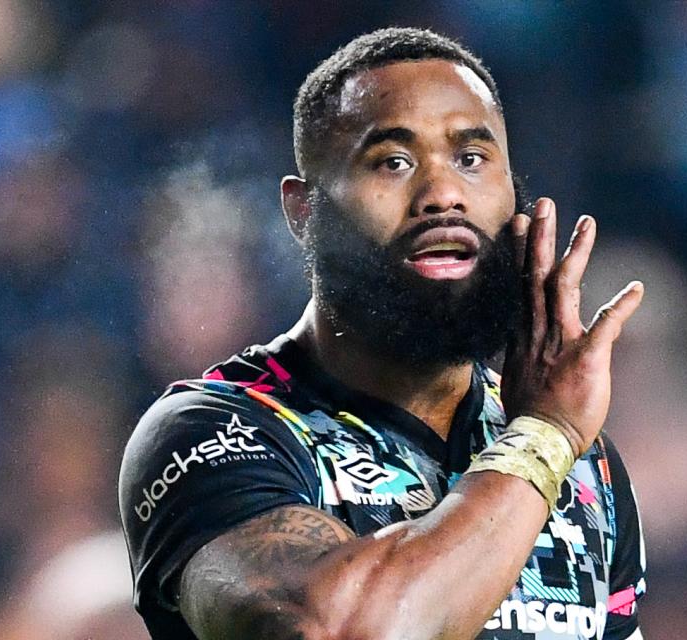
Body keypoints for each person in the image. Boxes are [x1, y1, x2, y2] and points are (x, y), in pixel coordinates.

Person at [119, 27, 647, 640]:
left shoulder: (588, 466)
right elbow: (343, 631)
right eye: (393, 162)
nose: (443, 194)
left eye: (471, 159)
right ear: (304, 210)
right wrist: (542, 440)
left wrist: (552, 437)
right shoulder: (213, 433)